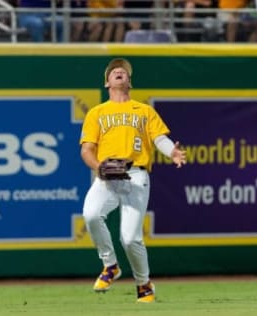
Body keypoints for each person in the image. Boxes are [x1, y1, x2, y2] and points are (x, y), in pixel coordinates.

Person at [79, 58, 186, 303]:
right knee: (91, 214)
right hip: (107, 174)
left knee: (129, 238)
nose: (119, 72)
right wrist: (98, 168)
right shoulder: (97, 112)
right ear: (107, 82)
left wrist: (172, 152)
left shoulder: (143, 110)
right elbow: (86, 149)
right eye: (114, 71)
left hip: (136, 174)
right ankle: (110, 265)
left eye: (123, 72)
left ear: (129, 82)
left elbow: (159, 138)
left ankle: (143, 283)